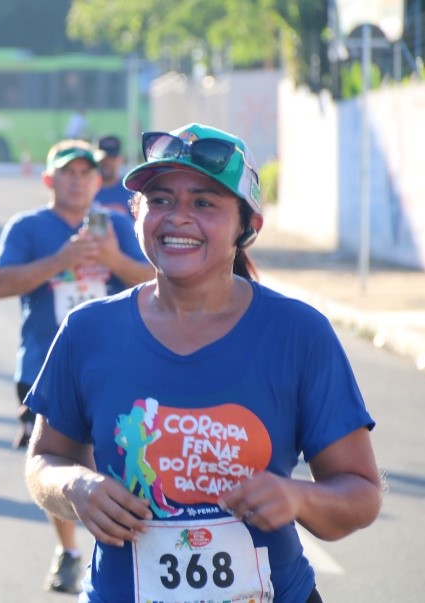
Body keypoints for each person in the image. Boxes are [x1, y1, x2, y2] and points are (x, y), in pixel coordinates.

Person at [23, 123, 382, 601]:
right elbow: (45, 459)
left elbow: (359, 492)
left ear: (247, 227)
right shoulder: (88, 331)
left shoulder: (298, 333)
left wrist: (299, 496)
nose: (178, 218)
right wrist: (77, 487)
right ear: (136, 215)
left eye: (205, 203)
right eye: (161, 200)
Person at [0, 139, 155, 594]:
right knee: (62, 463)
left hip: (119, 367)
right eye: (68, 172)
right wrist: (61, 261)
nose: (77, 180)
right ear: (49, 179)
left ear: (99, 181)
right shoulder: (27, 227)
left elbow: (160, 280)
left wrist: (112, 259)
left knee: (120, 464)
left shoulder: (119, 224)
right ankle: (70, 550)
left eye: (86, 173)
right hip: (45, 366)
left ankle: (126, 552)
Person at [93, 133, 135, 218]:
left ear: (121, 159)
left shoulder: (131, 192)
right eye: (103, 158)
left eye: (112, 158)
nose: (107, 162)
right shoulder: (84, 191)